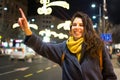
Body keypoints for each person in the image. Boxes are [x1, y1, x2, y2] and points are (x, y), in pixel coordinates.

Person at [18, 8, 117, 80]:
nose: (77, 27)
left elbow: (110, 76)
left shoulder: (98, 46)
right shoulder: (64, 48)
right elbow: (43, 47)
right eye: (74, 25)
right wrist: (27, 29)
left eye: (81, 25)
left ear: (87, 28)